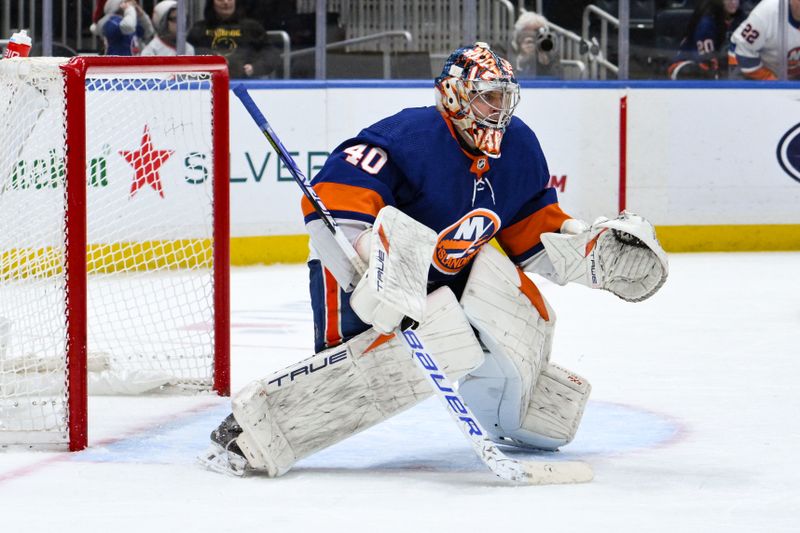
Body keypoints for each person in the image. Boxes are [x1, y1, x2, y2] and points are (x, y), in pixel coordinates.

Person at [200, 43, 669, 478]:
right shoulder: (407, 137)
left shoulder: (518, 145)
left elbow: (531, 228)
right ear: (454, 95)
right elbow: (335, 210)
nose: (499, 111)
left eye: (505, 98)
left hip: (452, 270)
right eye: (487, 98)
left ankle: (522, 412)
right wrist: (375, 271)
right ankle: (252, 432)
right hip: (367, 274)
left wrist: (583, 247)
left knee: (524, 310)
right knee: (402, 357)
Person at [187, 0, 279, 78]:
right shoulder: (200, 29)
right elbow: (188, 52)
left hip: (247, 83)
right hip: (208, 83)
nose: (226, 2)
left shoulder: (251, 27)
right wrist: (211, 57)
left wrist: (255, 68)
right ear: (212, 3)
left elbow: (270, 52)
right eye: (220, 0)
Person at [668, 0, 747, 79]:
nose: (733, 2)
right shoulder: (706, 23)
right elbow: (707, 61)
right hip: (688, 65)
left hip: (720, 66)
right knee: (697, 72)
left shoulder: (742, 19)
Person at [730, 0, 800, 79]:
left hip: (790, 73)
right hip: (749, 67)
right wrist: (772, 82)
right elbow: (742, 49)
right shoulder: (766, 12)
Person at [512, 11, 563, 78]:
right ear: (519, 34)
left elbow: (559, 80)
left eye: (539, 34)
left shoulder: (549, 53)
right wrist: (524, 58)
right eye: (530, 33)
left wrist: (545, 64)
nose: (535, 37)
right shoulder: (502, 49)